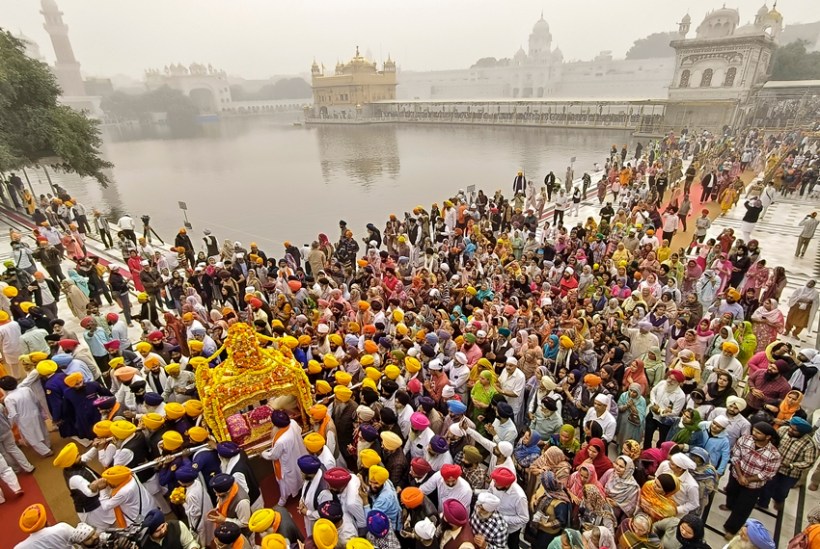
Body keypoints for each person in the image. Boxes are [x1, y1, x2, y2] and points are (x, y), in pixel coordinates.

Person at [719, 422, 781, 539]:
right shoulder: (745, 440)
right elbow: (736, 457)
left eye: (758, 433)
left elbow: (767, 473)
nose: (754, 434)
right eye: (754, 430)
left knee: (743, 507)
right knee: (731, 492)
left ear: (768, 437)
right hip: (736, 475)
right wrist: (740, 475)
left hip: (753, 485)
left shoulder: (774, 454)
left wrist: (748, 479)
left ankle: (731, 529)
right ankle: (730, 505)